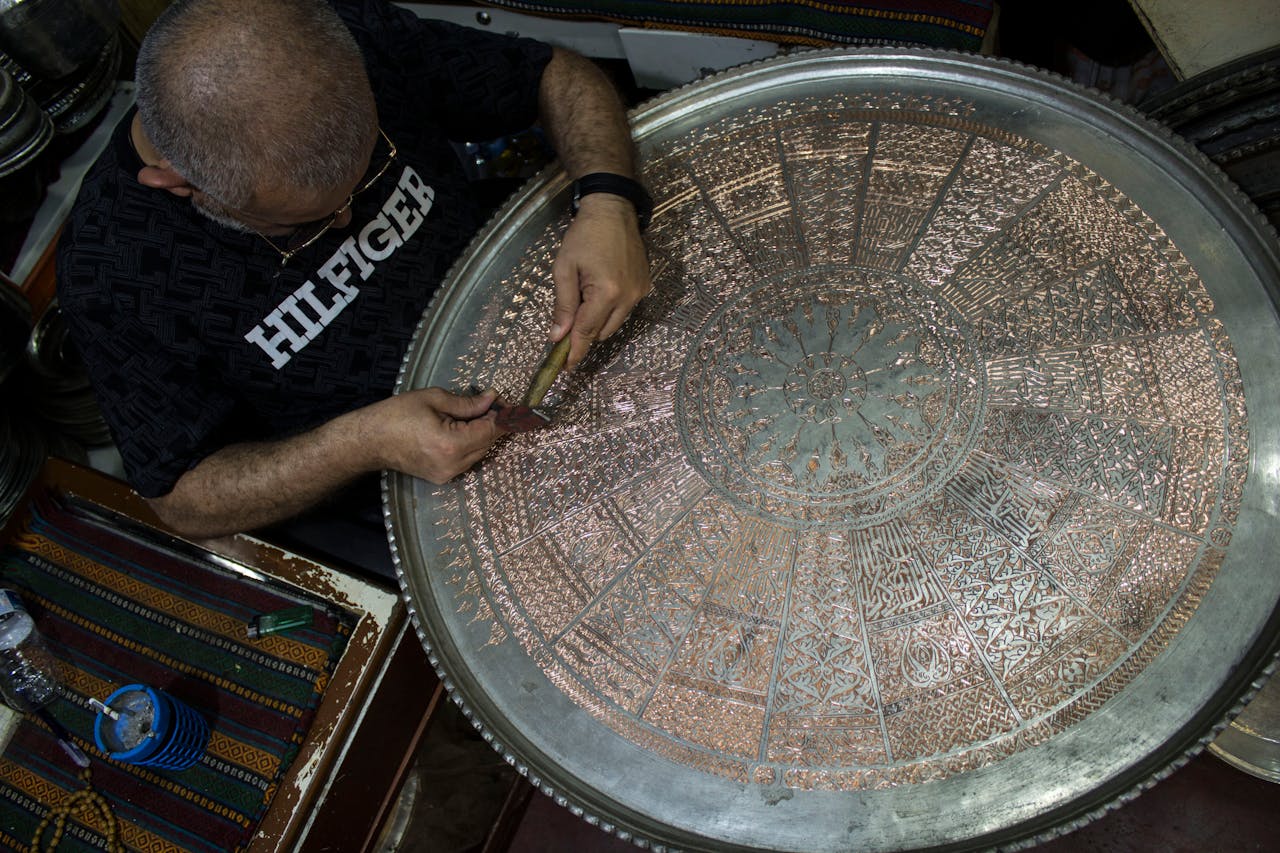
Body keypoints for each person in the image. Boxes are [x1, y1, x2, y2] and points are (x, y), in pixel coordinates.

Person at [56, 0, 652, 577]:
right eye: (302, 223)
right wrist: (362, 442)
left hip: (539, 307)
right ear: (177, 184)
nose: (349, 220)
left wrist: (606, 201)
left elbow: (556, 74)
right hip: (408, 476)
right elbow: (180, 497)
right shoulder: (114, 269)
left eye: (366, 172)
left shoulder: (351, 34)